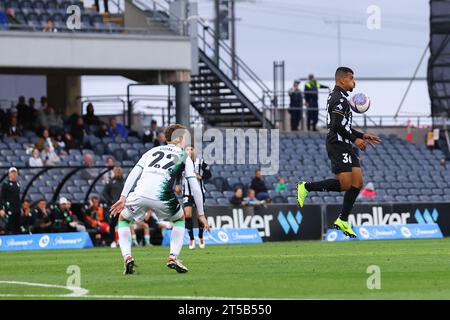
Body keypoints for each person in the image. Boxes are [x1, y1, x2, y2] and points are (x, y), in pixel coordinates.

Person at [109, 124, 210, 275]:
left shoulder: (151, 151)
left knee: (123, 219)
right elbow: (194, 186)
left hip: (140, 193)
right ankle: (173, 257)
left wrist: (123, 197)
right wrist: (201, 214)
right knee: (179, 219)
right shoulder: (184, 156)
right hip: (163, 196)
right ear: (181, 138)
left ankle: (127, 257)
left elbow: (134, 173)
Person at [297, 67, 381, 238]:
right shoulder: (339, 99)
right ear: (342, 80)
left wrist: (363, 135)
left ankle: (342, 220)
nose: (354, 82)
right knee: (345, 185)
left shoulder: (341, 97)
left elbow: (345, 126)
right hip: (337, 144)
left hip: (345, 143)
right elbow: (336, 126)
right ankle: (306, 187)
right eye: (351, 78)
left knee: (357, 183)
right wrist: (354, 139)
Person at [181, 146, 211, 250]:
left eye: (191, 149)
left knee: (199, 216)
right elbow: (175, 173)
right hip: (187, 193)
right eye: (187, 149)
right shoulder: (182, 161)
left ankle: (201, 236)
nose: (189, 151)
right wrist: (176, 184)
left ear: (194, 151)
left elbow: (209, 173)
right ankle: (191, 238)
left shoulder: (200, 162)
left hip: (199, 192)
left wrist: (202, 177)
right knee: (188, 214)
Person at [102, 166, 124, 245]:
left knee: (124, 223)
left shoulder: (124, 181)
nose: (118, 172)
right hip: (115, 206)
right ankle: (113, 241)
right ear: (114, 172)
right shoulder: (111, 182)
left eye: (119, 170)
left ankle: (123, 241)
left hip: (123, 206)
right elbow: (104, 193)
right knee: (113, 224)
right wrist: (111, 201)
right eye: (116, 170)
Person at [0, 167, 21, 234]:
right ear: (9, 174)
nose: (14, 174)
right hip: (8, 208)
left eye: (15, 173)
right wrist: (1, 209)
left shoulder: (17, 184)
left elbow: (17, 197)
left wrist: (20, 208)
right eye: (12, 173)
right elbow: (2, 197)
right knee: (9, 226)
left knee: (17, 226)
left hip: (16, 208)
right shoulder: (5, 184)